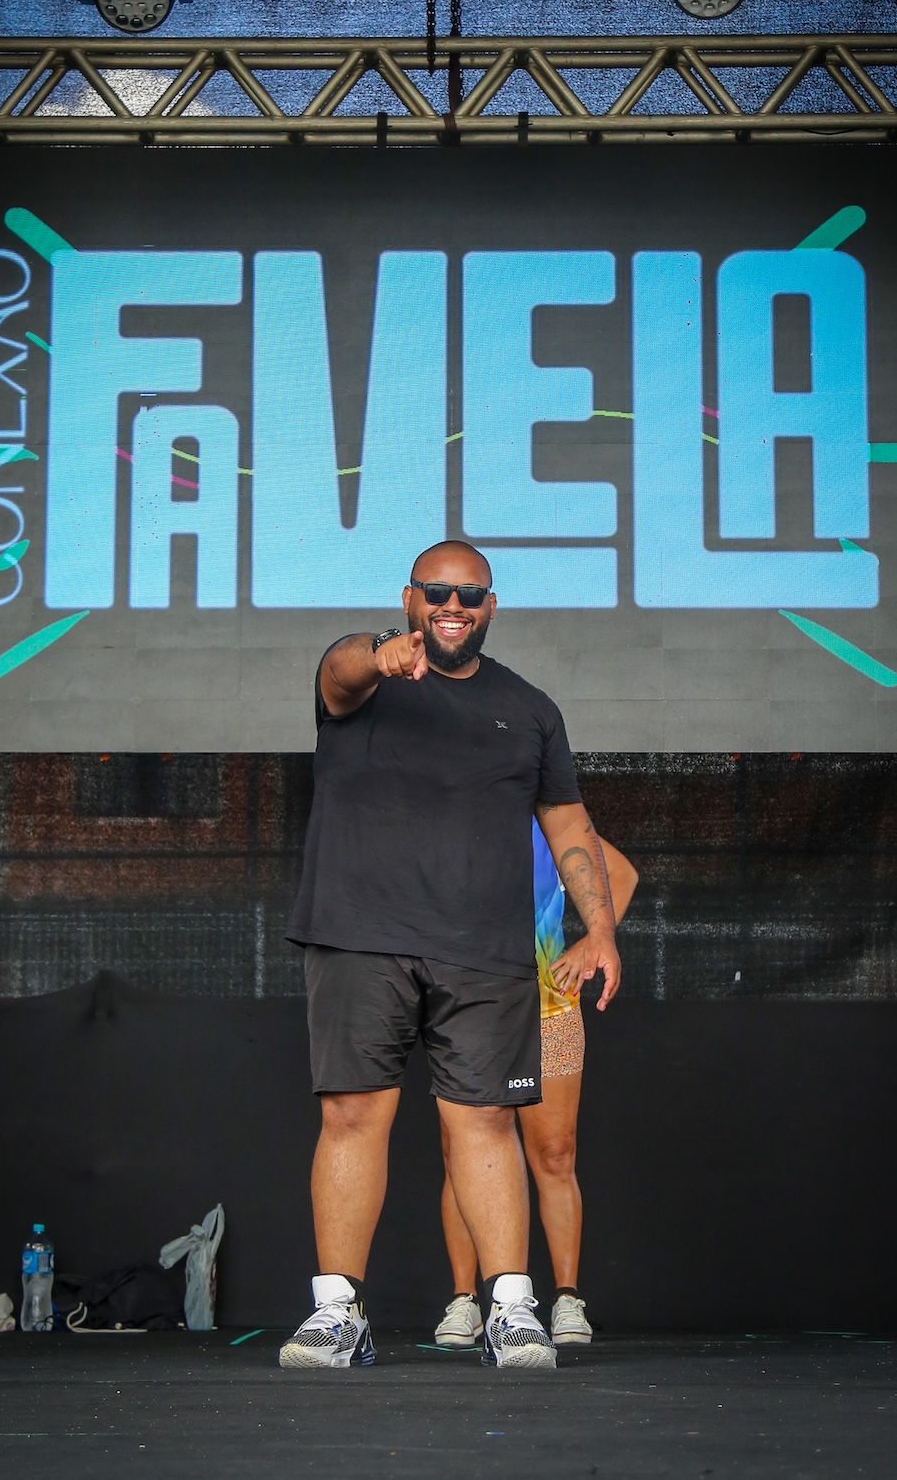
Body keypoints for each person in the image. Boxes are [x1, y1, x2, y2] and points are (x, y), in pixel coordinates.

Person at [279, 540, 621, 1371]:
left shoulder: (529, 709)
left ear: (491, 606)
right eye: (437, 592)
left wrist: (601, 928)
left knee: (486, 1119)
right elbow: (338, 669)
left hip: (484, 949)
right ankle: (337, 1312)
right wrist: (378, 654)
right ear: (410, 598)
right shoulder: (362, 681)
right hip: (358, 931)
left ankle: (512, 1309)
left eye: (469, 594)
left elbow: (568, 824)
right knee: (352, 1114)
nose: (452, 606)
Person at [434, 823, 638, 1350]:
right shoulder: (448, 813)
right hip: (468, 1009)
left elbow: (621, 874)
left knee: (555, 1154)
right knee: (462, 1154)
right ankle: (465, 1300)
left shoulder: (546, 821)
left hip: (548, 1003)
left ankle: (567, 1298)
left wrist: (592, 943)